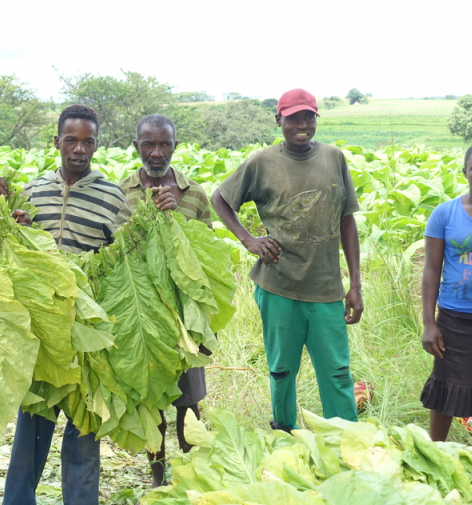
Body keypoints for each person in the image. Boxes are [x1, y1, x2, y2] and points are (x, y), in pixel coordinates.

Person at [0, 104, 131, 505]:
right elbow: (11, 248)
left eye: (88, 142)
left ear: (97, 146)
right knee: (32, 423)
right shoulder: (33, 190)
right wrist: (2, 211)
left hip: (87, 331)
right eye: (71, 140)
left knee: (83, 430)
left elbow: (123, 261)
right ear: (57, 142)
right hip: (42, 328)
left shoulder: (113, 197)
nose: (79, 149)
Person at [211, 88, 363, 433]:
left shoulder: (334, 157)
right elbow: (220, 198)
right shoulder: (262, 162)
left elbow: (346, 220)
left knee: (338, 371)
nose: (302, 125)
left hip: (327, 288)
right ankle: (285, 433)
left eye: (308, 117)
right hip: (278, 285)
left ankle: (347, 440)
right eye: (293, 118)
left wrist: (355, 285)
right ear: (278, 120)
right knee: (282, 370)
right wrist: (248, 239)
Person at [117, 113, 213, 487]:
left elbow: (206, 259)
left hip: (186, 317)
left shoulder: (196, 194)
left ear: (175, 145)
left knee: (189, 402)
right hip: (144, 313)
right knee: (151, 399)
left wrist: (178, 220)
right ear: (136, 145)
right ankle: (158, 479)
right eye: (148, 145)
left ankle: (191, 477)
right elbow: (115, 250)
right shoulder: (120, 191)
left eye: (165, 145)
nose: (157, 153)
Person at [421, 142, 472, 441]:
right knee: (446, 386)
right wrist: (429, 323)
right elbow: (431, 270)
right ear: (465, 173)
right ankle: (436, 452)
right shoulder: (444, 214)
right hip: (454, 319)